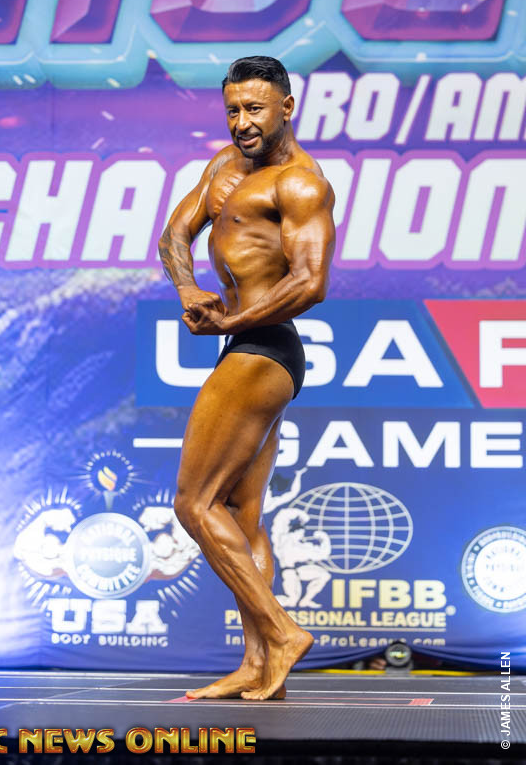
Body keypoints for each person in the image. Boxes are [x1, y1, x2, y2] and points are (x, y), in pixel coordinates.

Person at [158, 55, 335, 700]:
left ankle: (282, 634)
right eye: (233, 110)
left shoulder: (301, 184)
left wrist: (228, 323)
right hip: (244, 343)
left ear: (287, 108)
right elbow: (174, 235)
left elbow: (310, 283)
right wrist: (188, 291)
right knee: (241, 514)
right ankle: (260, 665)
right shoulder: (224, 168)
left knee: (194, 503)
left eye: (255, 109)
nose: (242, 122)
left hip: (264, 348)